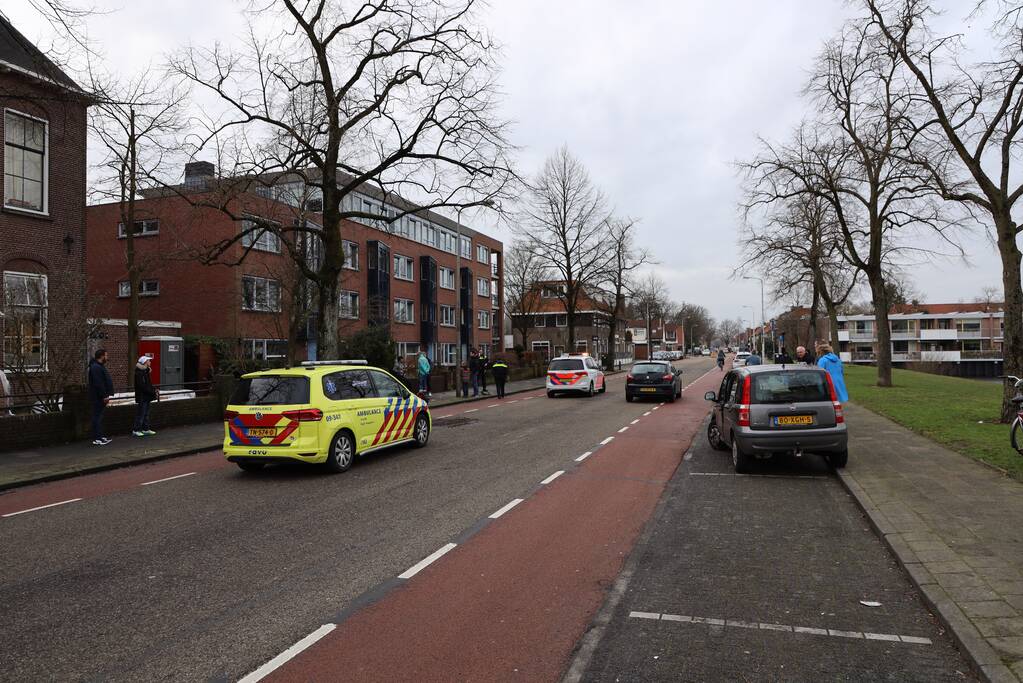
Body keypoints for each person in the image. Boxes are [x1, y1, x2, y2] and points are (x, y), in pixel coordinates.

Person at [87, 348, 114, 446]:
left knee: (98, 417)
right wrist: (104, 396)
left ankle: (99, 436)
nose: (107, 357)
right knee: (97, 417)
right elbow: (99, 383)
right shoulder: (96, 367)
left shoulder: (98, 366)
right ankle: (97, 438)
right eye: (106, 355)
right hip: (98, 397)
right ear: (102, 356)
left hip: (99, 396)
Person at [133, 355, 159, 437]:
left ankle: (145, 429)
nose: (150, 362)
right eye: (149, 361)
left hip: (146, 396)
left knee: (146, 413)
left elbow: (148, 384)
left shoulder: (145, 372)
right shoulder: (139, 373)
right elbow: (142, 386)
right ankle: (136, 430)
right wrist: (152, 392)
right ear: (145, 362)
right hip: (142, 397)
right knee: (141, 413)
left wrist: (152, 390)